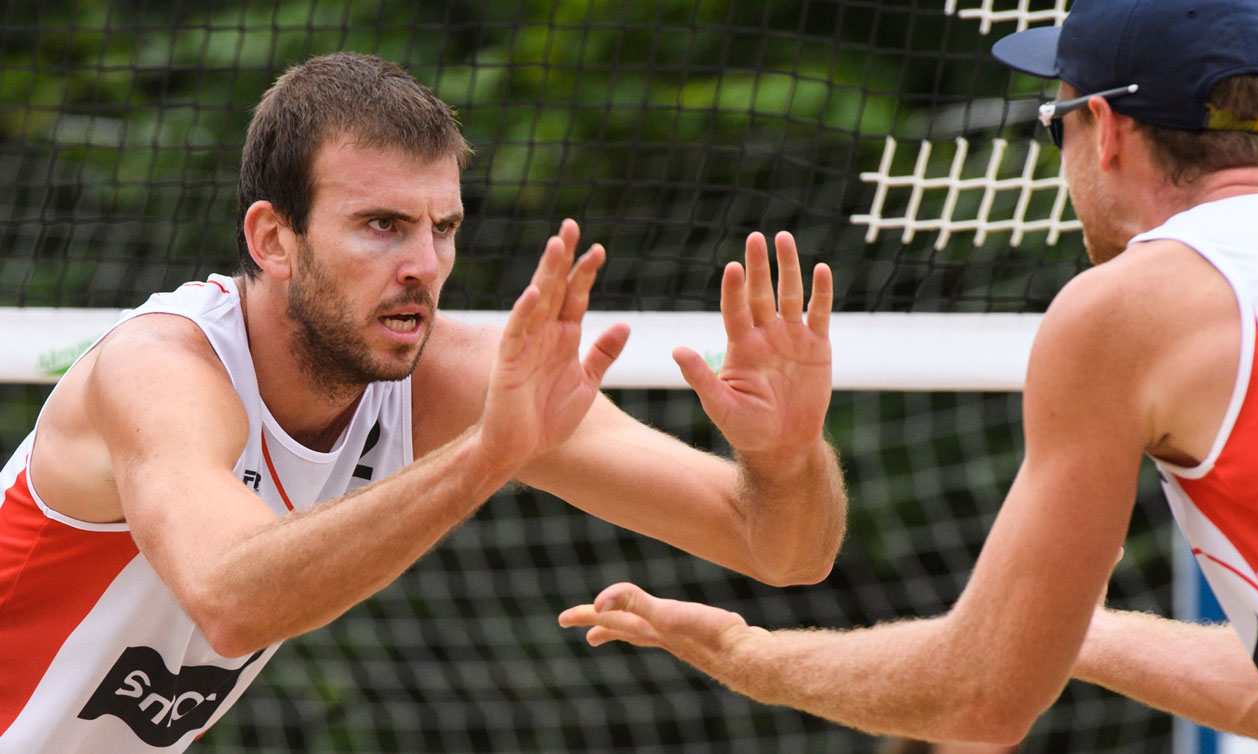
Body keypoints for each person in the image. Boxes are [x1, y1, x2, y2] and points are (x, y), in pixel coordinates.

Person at [0, 52, 848, 752]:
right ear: (272, 239)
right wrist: (486, 459)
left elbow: (781, 554)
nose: (424, 265)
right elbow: (231, 601)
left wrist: (785, 459)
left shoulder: (453, 377)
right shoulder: (162, 368)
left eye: (441, 228)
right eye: (381, 225)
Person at [560, 0, 1258, 749]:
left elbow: (981, 695)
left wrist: (742, 654)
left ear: (1108, 131)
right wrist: (1070, 633)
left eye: (1053, 122)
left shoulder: (1128, 306)